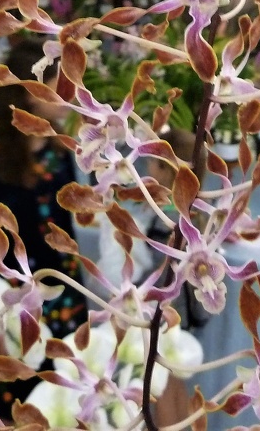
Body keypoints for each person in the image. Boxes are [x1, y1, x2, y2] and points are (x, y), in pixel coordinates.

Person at [0, 38, 88, 424]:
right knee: (6, 411)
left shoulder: (55, 141)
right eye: (65, 84)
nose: (76, 92)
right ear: (31, 90)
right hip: (6, 301)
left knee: (58, 407)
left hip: (61, 300)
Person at [96, 127, 208, 428]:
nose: (145, 168)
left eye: (152, 162)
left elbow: (128, 265)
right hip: (184, 309)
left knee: (161, 384)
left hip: (159, 310)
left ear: (167, 169)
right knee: (174, 378)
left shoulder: (162, 217)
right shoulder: (194, 211)